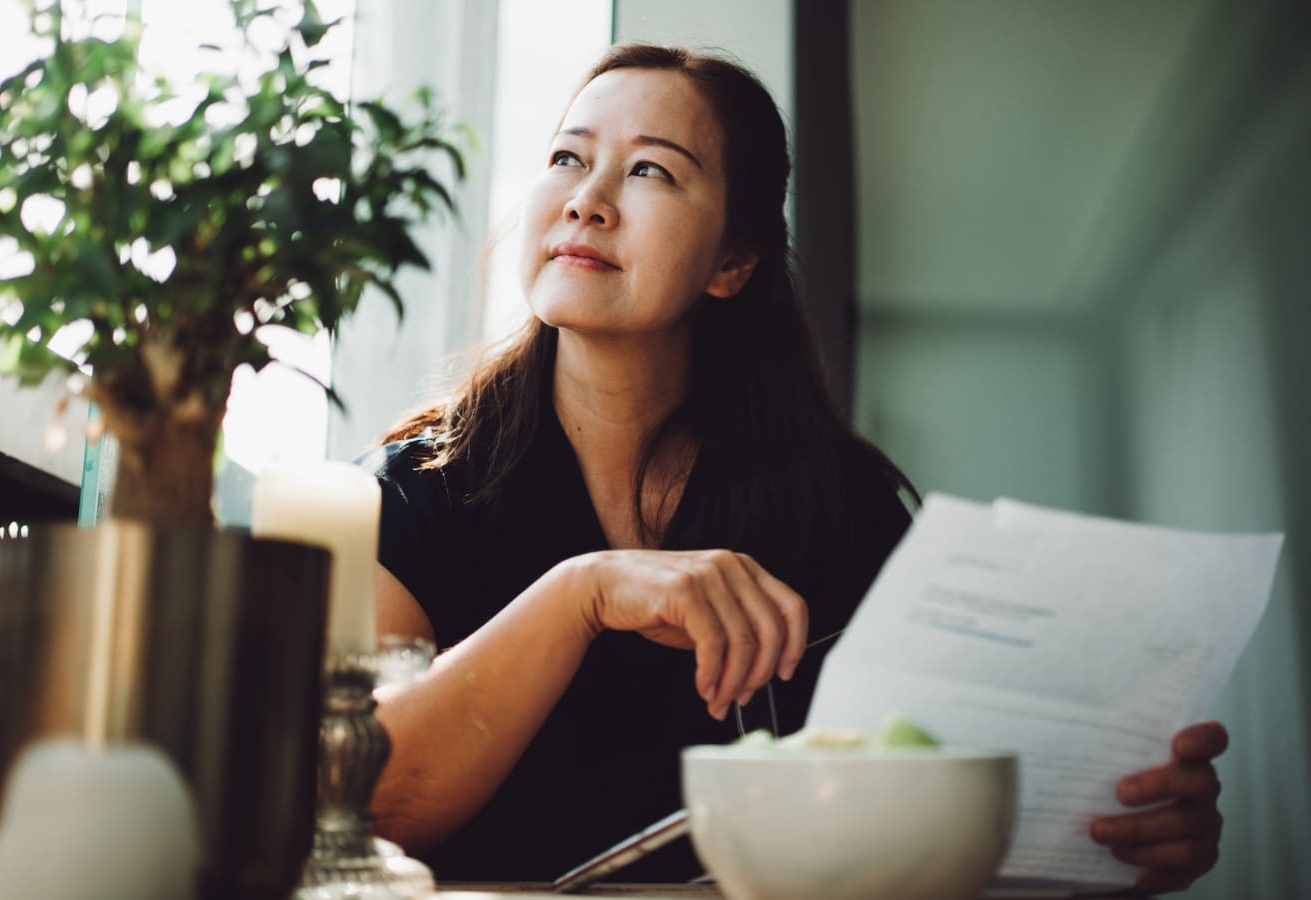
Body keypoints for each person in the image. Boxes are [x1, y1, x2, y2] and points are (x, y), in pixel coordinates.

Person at [363, 43, 1227, 893]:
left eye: (651, 172)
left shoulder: (845, 510)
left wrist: (1106, 829)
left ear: (734, 262)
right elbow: (364, 805)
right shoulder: (410, 494)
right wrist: (582, 595)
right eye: (567, 158)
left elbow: (917, 829)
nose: (586, 201)